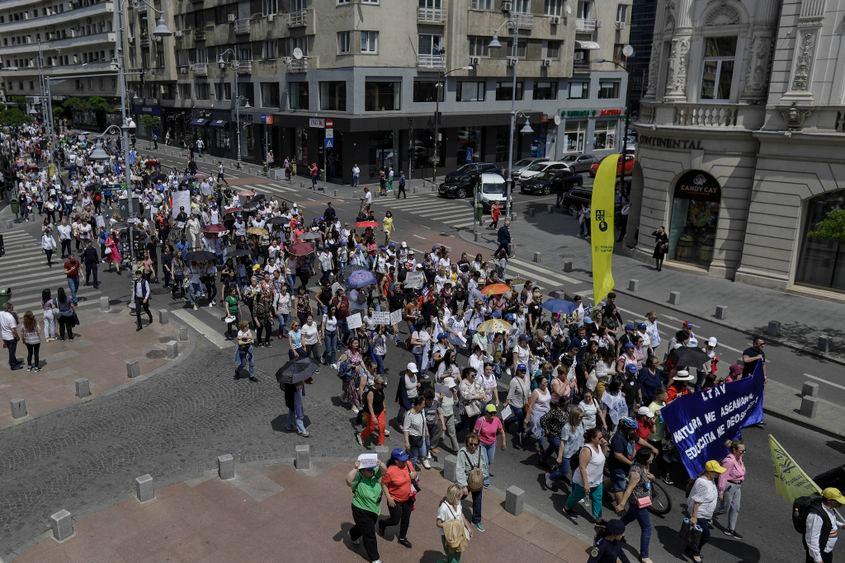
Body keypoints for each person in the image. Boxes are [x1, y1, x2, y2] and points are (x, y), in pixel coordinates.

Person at [614, 447, 656, 563]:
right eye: (651, 456)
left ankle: (611, 531)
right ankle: (644, 556)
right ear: (645, 459)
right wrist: (622, 504)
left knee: (628, 518)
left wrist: (651, 477)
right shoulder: (636, 473)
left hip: (641, 502)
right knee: (647, 528)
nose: (652, 458)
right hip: (639, 504)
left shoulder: (644, 466)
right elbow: (629, 489)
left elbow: (646, 476)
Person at [346, 454, 388, 563]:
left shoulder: (374, 474)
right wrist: (355, 468)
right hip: (360, 509)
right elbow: (348, 481)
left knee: (364, 527)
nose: (372, 471)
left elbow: (384, 471)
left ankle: (353, 534)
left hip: (374, 509)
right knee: (369, 534)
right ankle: (375, 558)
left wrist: (380, 463)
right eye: (369, 470)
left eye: (372, 469)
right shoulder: (358, 477)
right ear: (362, 470)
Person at [686, 459, 726, 563]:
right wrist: (694, 517)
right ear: (709, 471)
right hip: (700, 515)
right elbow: (697, 502)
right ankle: (695, 553)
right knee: (705, 536)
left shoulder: (710, 479)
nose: (719, 474)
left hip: (704, 514)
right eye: (716, 472)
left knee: (698, 534)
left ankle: (689, 549)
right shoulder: (703, 483)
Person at [563, 427, 606, 522]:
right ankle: (566, 508)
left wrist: (604, 446)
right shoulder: (586, 450)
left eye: (602, 437)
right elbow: (582, 467)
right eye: (599, 438)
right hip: (584, 481)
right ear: (592, 438)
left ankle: (598, 518)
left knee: (597, 498)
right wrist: (586, 484)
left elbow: (602, 457)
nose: (602, 439)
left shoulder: (598, 445)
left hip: (597, 480)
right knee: (576, 496)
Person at [378, 448, 418, 548]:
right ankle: (382, 523)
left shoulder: (408, 464)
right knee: (395, 520)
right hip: (395, 500)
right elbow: (383, 484)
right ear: (396, 461)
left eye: (405, 459)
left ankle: (402, 538)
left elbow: (414, 473)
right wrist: (388, 498)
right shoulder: (390, 471)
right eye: (402, 460)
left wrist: (414, 474)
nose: (405, 461)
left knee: (406, 519)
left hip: (408, 498)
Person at [455, 433, 490, 532]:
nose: (473, 446)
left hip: (477, 479)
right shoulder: (462, 452)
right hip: (466, 479)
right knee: (460, 496)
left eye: (475, 444)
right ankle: (451, 508)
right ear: (467, 443)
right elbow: (459, 469)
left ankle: (476, 520)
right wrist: (463, 486)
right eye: (471, 444)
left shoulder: (481, 450)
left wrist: (484, 479)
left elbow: (485, 465)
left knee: (478, 500)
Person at [804, 488, 845, 563]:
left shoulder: (829, 508)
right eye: (838, 501)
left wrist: (841, 525)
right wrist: (818, 559)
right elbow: (812, 539)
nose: (840, 504)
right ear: (829, 501)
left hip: (827, 550)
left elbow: (830, 521)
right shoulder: (816, 516)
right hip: (818, 553)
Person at [717, 439, 746, 538]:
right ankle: (706, 515)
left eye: (744, 450)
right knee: (724, 508)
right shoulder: (728, 461)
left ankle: (730, 529)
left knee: (736, 508)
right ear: (734, 450)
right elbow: (722, 476)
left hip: (737, 486)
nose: (743, 453)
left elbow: (729, 446)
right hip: (729, 486)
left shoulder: (739, 457)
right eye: (741, 451)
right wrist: (721, 491)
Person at [436, 483, 469, 563]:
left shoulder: (458, 502)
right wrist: (451, 525)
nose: (461, 498)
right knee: (452, 557)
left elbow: (461, 514)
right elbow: (438, 523)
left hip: (459, 533)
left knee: (458, 553)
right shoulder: (443, 508)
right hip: (448, 535)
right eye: (459, 496)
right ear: (454, 496)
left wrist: (467, 527)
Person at [473, 404, 506, 479]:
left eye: (494, 413)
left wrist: (503, 442)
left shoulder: (497, 420)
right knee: (485, 461)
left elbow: (502, 431)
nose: (493, 415)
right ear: (486, 413)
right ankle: (485, 478)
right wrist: (473, 442)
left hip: (492, 444)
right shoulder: (480, 420)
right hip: (482, 443)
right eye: (491, 413)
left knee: (490, 461)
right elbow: (475, 431)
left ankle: (482, 471)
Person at [358, 376, 387, 447]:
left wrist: (384, 407)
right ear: (377, 383)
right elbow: (370, 405)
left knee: (382, 426)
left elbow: (382, 398)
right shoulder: (371, 392)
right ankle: (361, 435)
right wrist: (373, 417)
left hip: (380, 411)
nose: (383, 386)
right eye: (382, 384)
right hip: (372, 413)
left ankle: (381, 443)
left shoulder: (380, 388)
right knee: (371, 428)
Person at [403, 396, 429, 469]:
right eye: (423, 404)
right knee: (414, 457)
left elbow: (424, 422)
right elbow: (405, 429)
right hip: (414, 439)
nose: (424, 406)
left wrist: (426, 431)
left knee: (423, 454)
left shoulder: (422, 411)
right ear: (418, 405)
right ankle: (411, 470)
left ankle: (409, 459)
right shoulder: (409, 415)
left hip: (422, 437)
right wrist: (407, 442)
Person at [1, 303, 23, 370]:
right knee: (12, 352)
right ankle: (13, 366)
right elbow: (13, 330)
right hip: (11, 337)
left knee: (11, 351)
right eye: (12, 307)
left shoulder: (1, 313)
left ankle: (15, 361)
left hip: (5, 336)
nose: (13, 309)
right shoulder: (10, 317)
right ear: (8, 308)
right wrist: (17, 337)